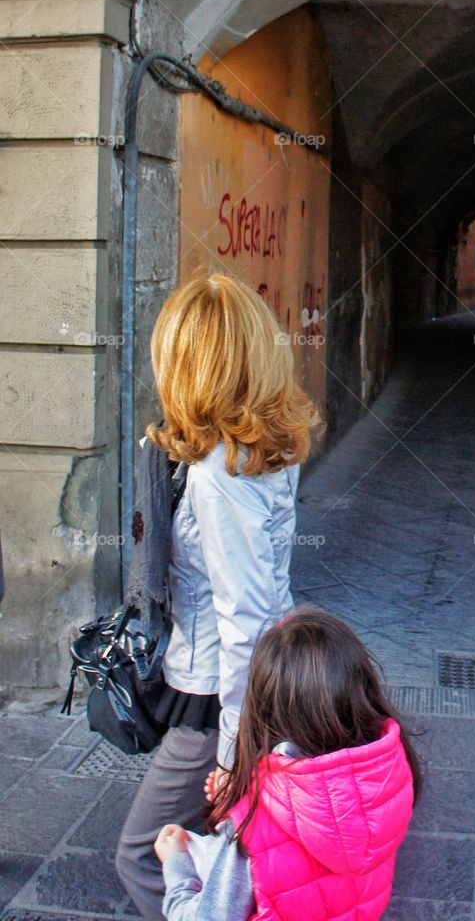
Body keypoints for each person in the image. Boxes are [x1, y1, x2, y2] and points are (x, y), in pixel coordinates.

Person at [116, 272, 320, 921]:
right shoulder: (263, 449)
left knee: (141, 854)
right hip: (246, 687)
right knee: (224, 855)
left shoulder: (217, 476)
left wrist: (238, 757)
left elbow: (245, 620)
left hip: (216, 697)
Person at [154, 608, 421, 921]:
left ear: (261, 711)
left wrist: (178, 866)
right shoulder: (388, 774)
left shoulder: (247, 827)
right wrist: (242, 797)